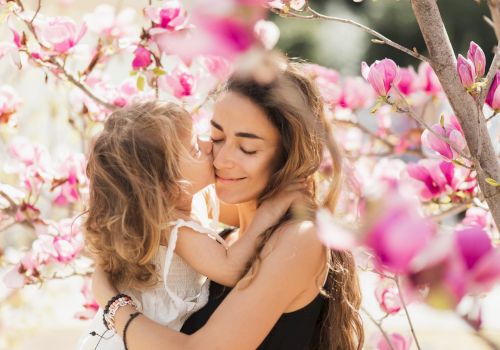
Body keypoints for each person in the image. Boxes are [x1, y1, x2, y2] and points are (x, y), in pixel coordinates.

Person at [92, 57, 364, 350]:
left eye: (247, 149)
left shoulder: (299, 239)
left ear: (288, 155)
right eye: (217, 137)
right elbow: (130, 215)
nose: (218, 159)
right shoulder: (216, 229)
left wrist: (113, 305)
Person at [78, 101, 305, 350]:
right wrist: (270, 210)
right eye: (196, 149)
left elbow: (241, 204)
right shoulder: (174, 228)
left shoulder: (192, 203)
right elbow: (230, 269)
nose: (210, 146)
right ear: (167, 184)